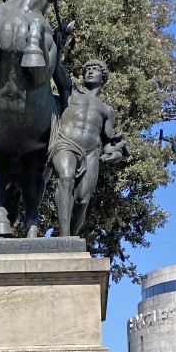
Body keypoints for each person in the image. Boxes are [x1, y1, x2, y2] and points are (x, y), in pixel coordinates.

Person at [49, 58, 129, 236]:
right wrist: (54, 41)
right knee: (66, 177)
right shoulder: (71, 92)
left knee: (82, 200)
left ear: (103, 77)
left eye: (95, 69)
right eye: (87, 70)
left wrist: (116, 154)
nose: (90, 72)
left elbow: (108, 143)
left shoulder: (107, 110)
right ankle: (64, 238)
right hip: (65, 143)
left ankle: (71, 240)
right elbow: (56, 66)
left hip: (91, 152)